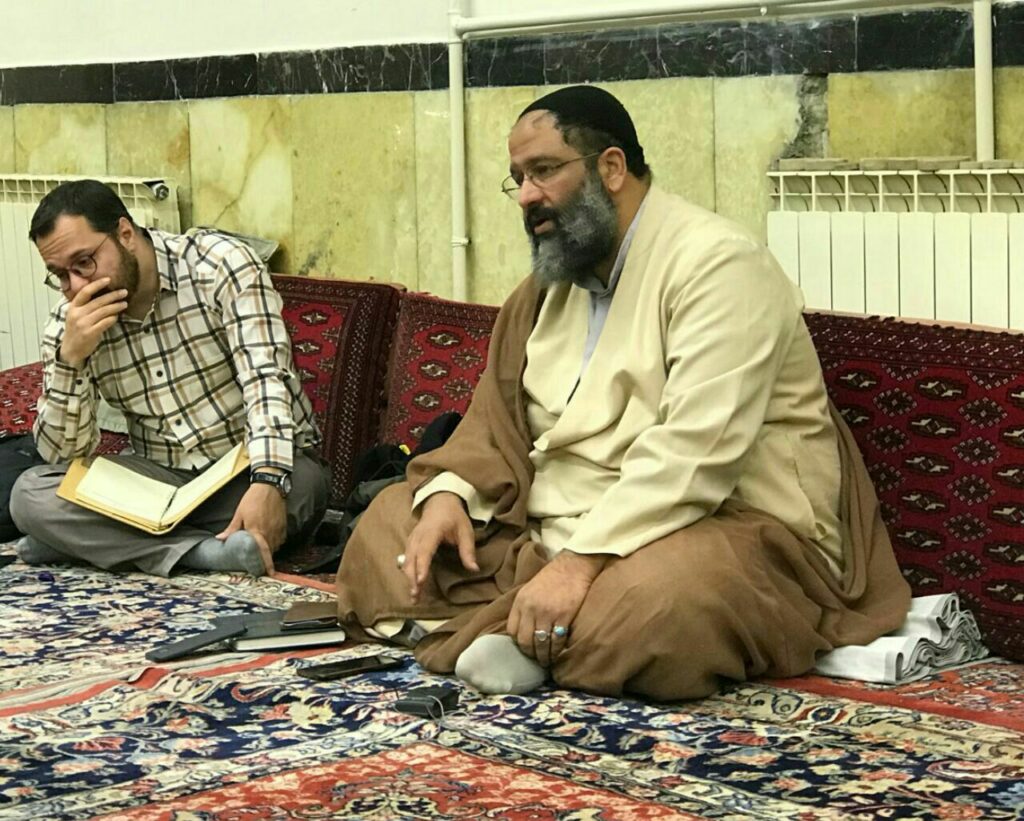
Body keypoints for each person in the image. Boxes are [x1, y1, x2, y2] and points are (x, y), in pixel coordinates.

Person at [335, 85, 911, 700]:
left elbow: (695, 455)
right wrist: (452, 493)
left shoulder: (719, 266)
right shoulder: (549, 287)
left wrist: (580, 564)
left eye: (544, 170)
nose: (527, 195)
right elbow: (493, 424)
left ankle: (520, 629)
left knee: (659, 606)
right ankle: (536, 632)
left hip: (717, 526)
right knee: (390, 524)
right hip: (553, 527)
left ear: (611, 168)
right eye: (518, 178)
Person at [9, 180, 329, 577]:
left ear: (125, 234)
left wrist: (267, 480)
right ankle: (205, 553)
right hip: (158, 483)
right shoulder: (68, 323)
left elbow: (266, 379)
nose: (75, 287)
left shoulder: (220, 265)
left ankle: (91, 542)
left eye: (84, 263)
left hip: (244, 469)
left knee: (304, 485)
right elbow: (62, 455)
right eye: (60, 274)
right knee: (30, 494)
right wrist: (70, 361)